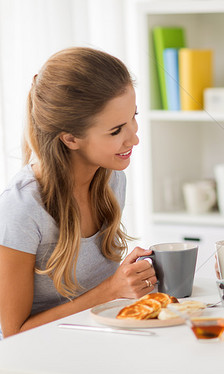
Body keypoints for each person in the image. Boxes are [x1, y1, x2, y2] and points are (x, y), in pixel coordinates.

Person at [0, 47, 157, 338]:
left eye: (133, 116)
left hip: (97, 340)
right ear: (71, 138)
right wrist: (110, 291)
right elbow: (14, 333)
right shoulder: (21, 208)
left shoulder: (111, 181)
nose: (134, 137)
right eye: (116, 131)